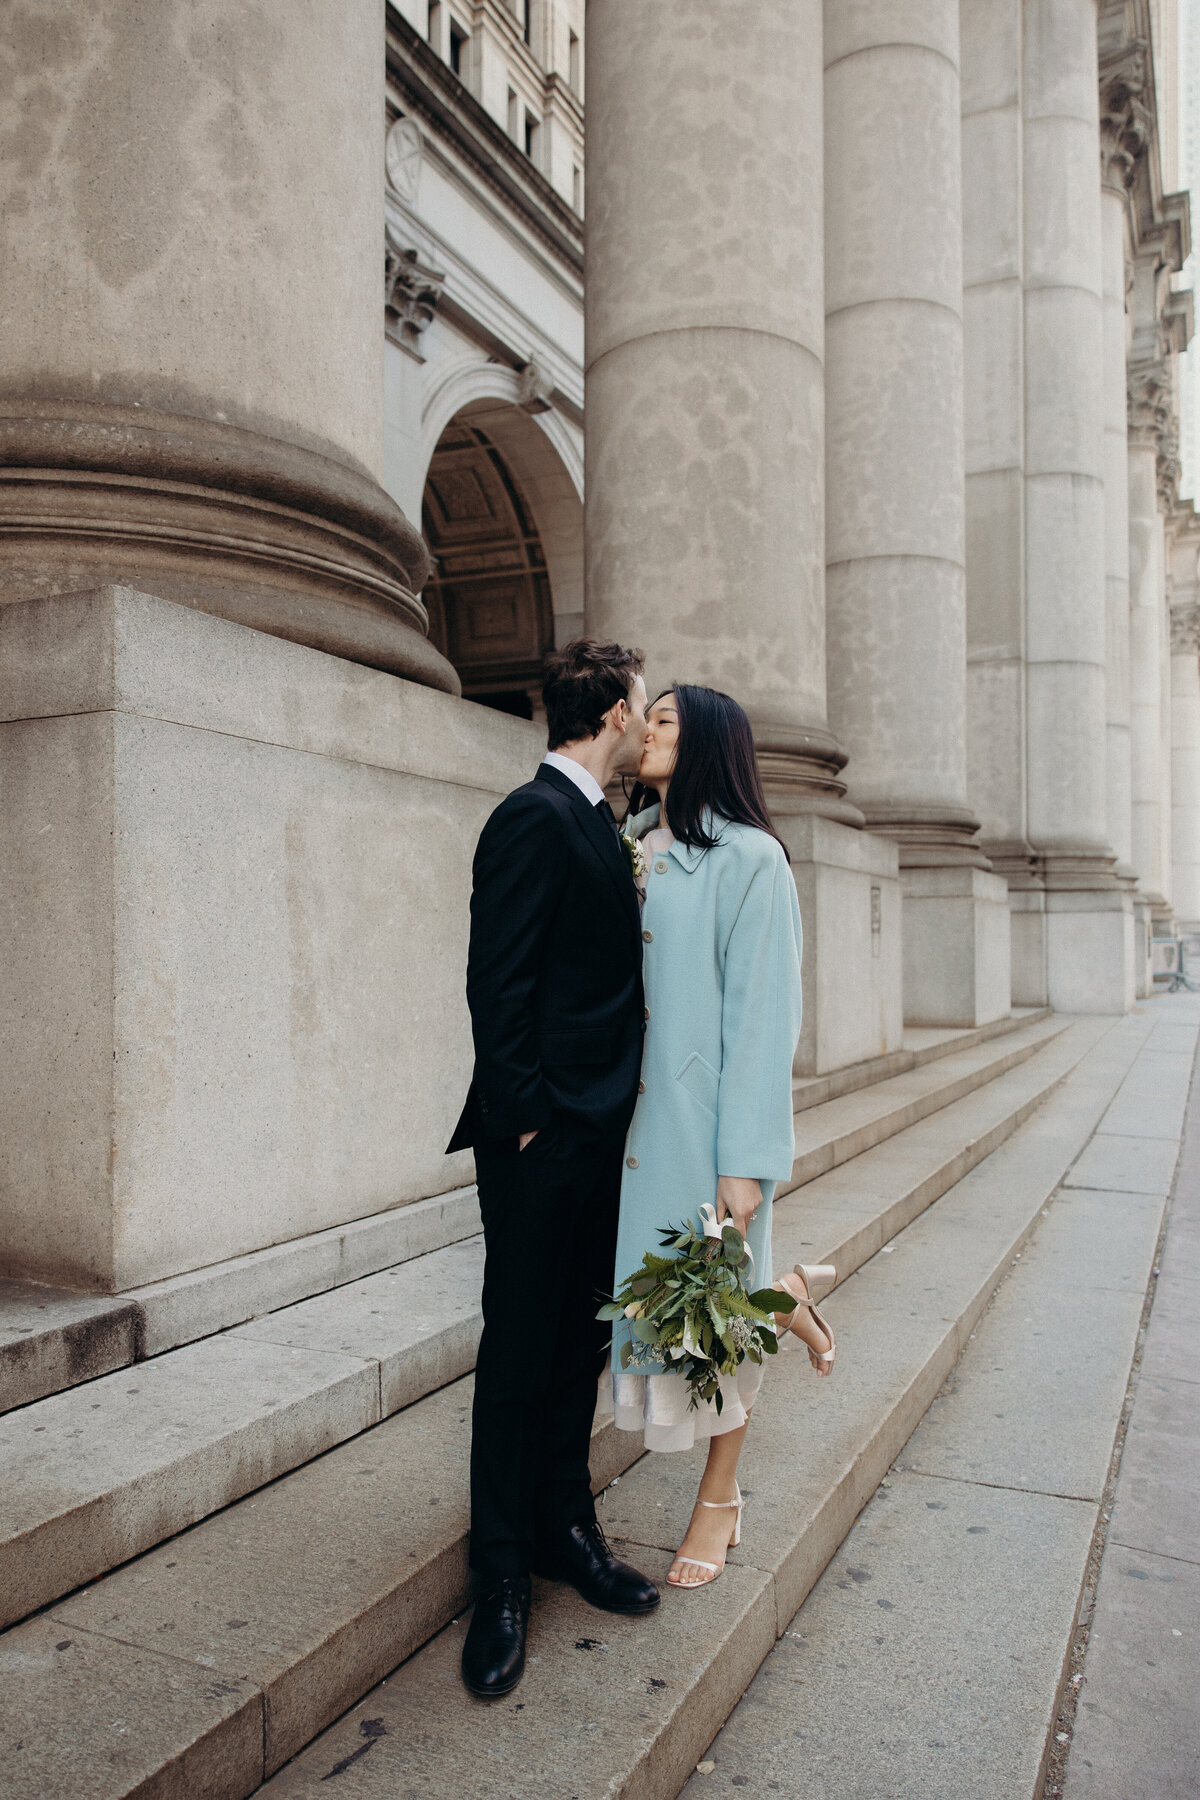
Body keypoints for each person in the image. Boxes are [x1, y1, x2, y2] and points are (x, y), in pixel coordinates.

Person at [447, 639, 660, 1701]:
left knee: (577, 1338)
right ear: (616, 713)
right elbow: (498, 980)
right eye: (643, 704)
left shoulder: (601, 823)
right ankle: (497, 1575)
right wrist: (529, 1124)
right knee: (520, 1349)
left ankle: (565, 1527)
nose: (645, 721)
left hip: (599, 1134)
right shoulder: (532, 816)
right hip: (544, 1139)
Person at [609, 684, 836, 1589]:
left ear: (707, 743)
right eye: (648, 716)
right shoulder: (629, 846)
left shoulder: (754, 861)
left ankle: (720, 1500)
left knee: (712, 1328)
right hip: (631, 1127)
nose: (649, 730)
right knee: (673, 1309)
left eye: (666, 720)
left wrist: (746, 1162)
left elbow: (764, 1021)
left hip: (705, 1134)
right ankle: (791, 1298)